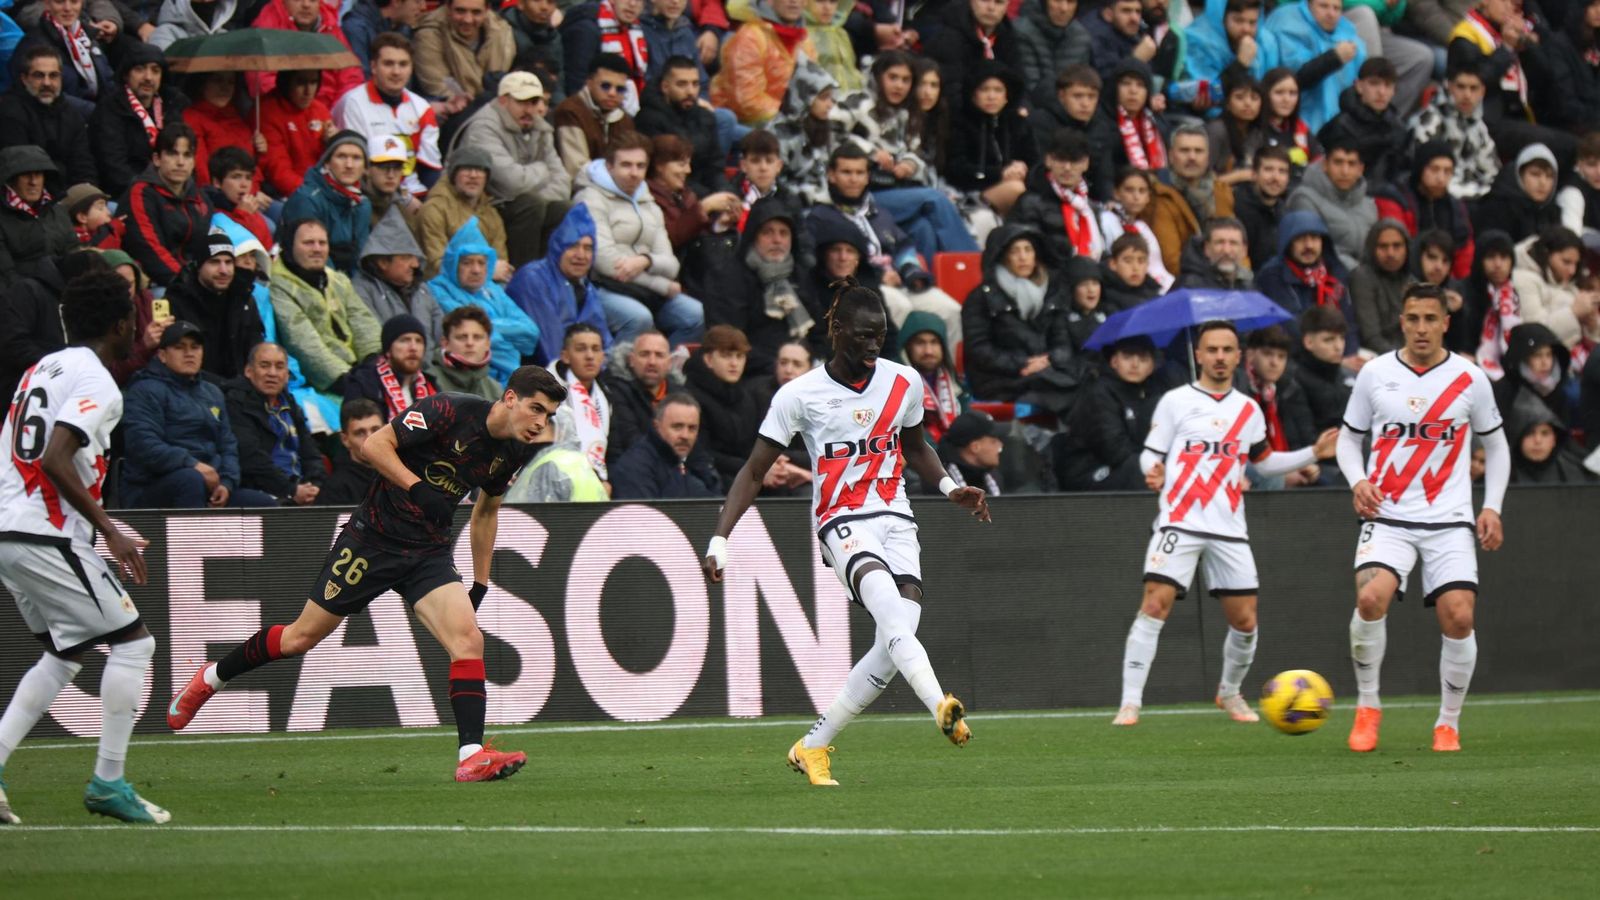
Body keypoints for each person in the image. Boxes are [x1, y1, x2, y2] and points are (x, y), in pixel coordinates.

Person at [167, 366, 570, 783]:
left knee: (468, 639)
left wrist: (481, 582)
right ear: (509, 399)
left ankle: (471, 754)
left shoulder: (512, 453)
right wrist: (417, 487)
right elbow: (375, 446)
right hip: (371, 541)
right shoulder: (447, 410)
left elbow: (486, 513)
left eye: (549, 415)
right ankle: (212, 676)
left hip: (426, 553)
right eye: (535, 408)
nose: (540, 422)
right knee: (299, 638)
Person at [702, 280, 988, 787]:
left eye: (879, 335)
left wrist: (948, 486)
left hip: (896, 518)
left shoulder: (902, 382)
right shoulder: (799, 396)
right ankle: (941, 705)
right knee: (891, 612)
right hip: (842, 520)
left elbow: (916, 445)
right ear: (835, 331)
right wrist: (720, 538)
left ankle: (812, 747)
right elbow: (752, 471)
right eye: (862, 336)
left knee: (895, 637)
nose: (872, 345)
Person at [0, 270, 168, 826]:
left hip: (11, 528)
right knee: (133, 645)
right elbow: (54, 456)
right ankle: (108, 781)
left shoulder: (40, 369)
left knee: (65, 652)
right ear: (123, 323)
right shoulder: (98, 380)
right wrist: (110, 529)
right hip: (42, 532)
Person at [1114, 320, 1339, 727]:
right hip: (1179, 521)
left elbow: (1264, 461)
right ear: (1198, 355)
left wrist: (1312, 453)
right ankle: (1130, 703)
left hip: (1230, 527)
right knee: (1153, 604)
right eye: (1212, 349)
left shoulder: (1248, 409)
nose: (1219, 357)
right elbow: (1150, 453)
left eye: (1227, 350)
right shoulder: (1176, 402)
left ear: (1239, 357)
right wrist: (1155, 471)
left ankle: (1230, 693)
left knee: (1245, 621)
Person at [1337, 283, 1511, 754]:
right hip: (1388, 513)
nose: (1420, 328)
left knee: (1458, 617)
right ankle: (1368, 707)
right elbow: (1348, 439)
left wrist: (1490, 505)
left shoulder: (1469, 378)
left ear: (1445, 323)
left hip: (1449, 517)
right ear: (1402, 320)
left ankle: (1447, 723)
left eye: (1430, 319)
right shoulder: (1374, 374)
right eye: (1413, 318)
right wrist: (1357, 481)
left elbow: (1495, 445)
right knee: (1371, 599)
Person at [120, 321, 278, 509]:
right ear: (162, 355)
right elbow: (144, 445)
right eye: (180, 347)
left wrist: (227, 483)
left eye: (195, 347)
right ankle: (194, 539)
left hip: (207, 483)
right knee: (190, 479)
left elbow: (228, 445)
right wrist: (192, 464)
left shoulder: (213, 393)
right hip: (152, 486)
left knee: (263, 504)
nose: (189, 353)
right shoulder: (144, 389)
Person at [576, 131, 703, 346]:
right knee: (638, 317)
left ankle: (664, 372)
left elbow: (671, 264)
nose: (634, 173)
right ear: (609, 166)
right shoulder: (591, 198)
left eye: (640, 166)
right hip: (602, 287)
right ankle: (616, 374)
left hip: (643, 288)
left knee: (694, 314)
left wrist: (646, 260)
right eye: (626, 165)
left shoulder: (648, 202)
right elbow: (606, 263)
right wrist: (661, 285)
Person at [960, 224, 1091, 415]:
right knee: (1070, 392)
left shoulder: (1052, 292)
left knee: (1089, 380)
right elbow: (978, 350)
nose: (1023, 257)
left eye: (1028, 250)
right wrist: (1022, 363)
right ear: (1003, 256)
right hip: (1000, 379)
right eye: (1015, 251)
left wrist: (1049, 359)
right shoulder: (980, 298)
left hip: (1044, 371)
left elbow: (1062, 339)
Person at [452, 70, 571, 266]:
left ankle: (546, 275)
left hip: (523, 202)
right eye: (522, 102)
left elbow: (563, 183)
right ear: (503, 101)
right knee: (531, 205)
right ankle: (522, 275)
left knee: (563, 208)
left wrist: (537, 188)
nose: (530, 109)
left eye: (534, 102)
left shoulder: (540, 127)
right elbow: (511, 183)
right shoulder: (483, 127)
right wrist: (542, 169)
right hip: (482, 205)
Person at [271, 218, 384, 393]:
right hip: (322, 384)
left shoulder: (338, 280)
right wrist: (347, 380)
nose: (317, 249)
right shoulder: (279, 287)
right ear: (289, 246)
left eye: (322, 243)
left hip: (359, 373)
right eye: (308, 243)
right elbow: (302, 343)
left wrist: (374, 363)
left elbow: (363, 322)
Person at [429, 217, 541, 384]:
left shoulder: (493, 290)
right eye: (467, 263)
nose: (476, 270)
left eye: (481, 263)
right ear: (453, 264)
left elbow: (530, 332)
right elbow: (474, 333)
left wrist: (494, 332)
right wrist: (508, 337)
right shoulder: (437, 290)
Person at [331, 33, 442, 201]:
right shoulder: (353, 103)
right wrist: (404, 199)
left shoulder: (422, 108)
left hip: (415, 194)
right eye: (388, 64)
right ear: (373, 67)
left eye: (403, 64)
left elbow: (430, 170)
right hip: (369, 193)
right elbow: (355, 169)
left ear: (411, 68)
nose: (396, 72)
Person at [225, 341, 327, 506]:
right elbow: (251, 458)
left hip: (298, 487)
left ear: (287, 375)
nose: (272, 373)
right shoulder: (236, 403)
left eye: (279, 367)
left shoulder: (291, 405)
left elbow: (311, 453)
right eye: (264, 366)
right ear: (249, 371)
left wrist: (314, 485)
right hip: (261, 490)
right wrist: (291, 490)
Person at [508, 202, 611, 366]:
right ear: (557, 247)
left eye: (588, 248)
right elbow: (550, 350)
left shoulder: (586, 288)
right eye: (573, 246)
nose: (581, 255)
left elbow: (604, 343)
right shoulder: (533, 279)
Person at [1053, 335, 1161, 491]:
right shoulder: (1098, 392)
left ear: (1151, 366)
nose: (1135, 364)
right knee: (1146, 473)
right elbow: (1115, 451)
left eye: (1143, 359)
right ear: (1114, 361)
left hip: (1131, 464)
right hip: (1090, 470)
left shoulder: (1156, 395)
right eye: (1127, 357)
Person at [119, 123, 213, 289]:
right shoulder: (140, 193)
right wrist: (189, 284)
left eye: (187, 155)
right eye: (172, 154)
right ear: (157, 159)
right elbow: (149, 249)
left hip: (193, 279)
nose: (180, 162)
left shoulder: (199, 197)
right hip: (155, 283)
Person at [88, 41, 185, 200]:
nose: (148, 77)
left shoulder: (172, 106)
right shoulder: (109, 110)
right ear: (126, 74)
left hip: (168, 192)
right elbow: (114, 169)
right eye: (140, 69)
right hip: (124, 196)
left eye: (155, 71)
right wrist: (152, 195)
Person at [163, 228, 264, 379]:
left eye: (229, 262)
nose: (224, 270)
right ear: (199, 266)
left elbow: (255, 348)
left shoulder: (244, 299)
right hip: (196, 388)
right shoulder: (177, 300)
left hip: (241, 389)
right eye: (214, 262)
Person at [1255, 210, 1360, 353]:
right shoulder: (1272, 276)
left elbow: (1348, 322)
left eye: (1315, 238)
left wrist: (1349, 355)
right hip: (1296, 356)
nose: (1309, 245)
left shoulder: (1336, 271)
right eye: (1301, 239)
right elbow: (1290, 327)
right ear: (1288, 242)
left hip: (1337, 350)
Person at [0, 45, 97, 195]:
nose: (47, 83)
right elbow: (22, 171)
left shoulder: (71, 113)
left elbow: (83, 164)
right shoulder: (10, 112)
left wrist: (86, 197)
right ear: (24, 79)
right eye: (39, 75)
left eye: (53, 76)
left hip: (70, 197)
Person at [944, 61, 1036, 217]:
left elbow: (1035, 161)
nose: (991, 96)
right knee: (1016, 189)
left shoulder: (1017, 123)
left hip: (1014, 185)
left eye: (998, 90)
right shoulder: (959, 123)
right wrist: (1000, 173)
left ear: (1007, 96)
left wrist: (1022, 168)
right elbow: (956, 168)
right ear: (973, 94)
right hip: (970, 193)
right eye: (984, 89)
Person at [1373, 141, 1476, 281]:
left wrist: (1458, 288)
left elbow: (1464, 253)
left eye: (1447, 171)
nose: (1441, 178)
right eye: (1434, 169)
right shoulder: (1396, 199)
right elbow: (1397, 247)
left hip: (1444, 281)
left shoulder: (1456, 208)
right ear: (1420, 168)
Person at [1236, 325, 1320, 488]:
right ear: (1250, 354)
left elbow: (1296, 441)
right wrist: (1282, 476)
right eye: (1268, 354)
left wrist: (1302, 464)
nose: (1275, 363)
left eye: (1281, 357)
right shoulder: (1240, 391)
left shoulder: (1286, 390)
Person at [635, 54, 731, 197]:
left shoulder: (706, 117)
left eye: (695, 84)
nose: (690, 91)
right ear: (665, 87)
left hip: (706, 193)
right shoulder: (648, 120)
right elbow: (662, 175)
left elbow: (715, 168)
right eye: (682, 84)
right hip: (670, 197)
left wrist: (726, 194)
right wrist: (709, 199)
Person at [709, 0, 814, 126]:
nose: (794, 2)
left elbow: (812, 88)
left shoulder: (804, 40)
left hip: (788, 120)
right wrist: (793, 114)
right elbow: (747, 101)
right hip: (745, 124)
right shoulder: (750, 37)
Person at [1264, 0, 1365, 133]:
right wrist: (1334, 58)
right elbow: (1295, 79)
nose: (1331, 13)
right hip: (1293, 123)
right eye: (1323, 6)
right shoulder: (1289, 22)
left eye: (1336, 8)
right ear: (1308, 4)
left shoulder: (1350, 35)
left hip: (1338, 127)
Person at [1145, 125, 1232, 277]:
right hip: (1187, 281)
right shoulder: (1158, 194)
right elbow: (1172, 262)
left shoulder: (1222, 191)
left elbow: (1236, 243)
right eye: (1184, 150)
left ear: (1208, 157)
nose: (1192, 157)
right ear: (1171, 156)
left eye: (1198, 151)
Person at [353, 206, 445, 348]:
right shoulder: (361, 290)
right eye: (406, 257)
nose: (415, 264)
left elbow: (442, 333)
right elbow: (373, 340)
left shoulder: (422, 289)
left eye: (415, 257)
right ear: (383, 262)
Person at [282, 129, 371, 274]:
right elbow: (310, 255)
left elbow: (360, 255)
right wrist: (341, 289)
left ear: (365, 168)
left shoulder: (362, 204)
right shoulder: (307, 199)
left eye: (356, 158)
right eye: (341, 156)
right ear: (327, 162)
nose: (349, 165)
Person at [1013, 129, 1105, 268]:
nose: (1067, 168)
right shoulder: (1030, 203)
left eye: (1074, 161)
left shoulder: (1090, 208)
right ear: (1048, 160)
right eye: (1061, 160)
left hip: (1088, 278)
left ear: (1086, 164)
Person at [418, 146, 513, 281]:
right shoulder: (434, 209)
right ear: (454, 175)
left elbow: (501, 263)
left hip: (485, 288)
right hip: (442, 290)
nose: (473, 175)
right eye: (466, 169)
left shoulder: (491, 214)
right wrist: (488, 272)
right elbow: (436, 264)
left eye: (480, 170)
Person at [250, 0, 365, 110]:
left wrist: (336, 112)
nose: (306, 5)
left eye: (312, 0)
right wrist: (311, 114)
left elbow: (351, 76)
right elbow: (264, 83)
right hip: (285, 114)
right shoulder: (267, 25)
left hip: (330, 114)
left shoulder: (330, 25)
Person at [1408, 63, 1498, 202]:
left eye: (1473, 88)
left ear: (1482, 92)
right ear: (1449, 86)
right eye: (1461, 87)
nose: (1467, 95)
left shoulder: (1479, 127)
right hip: (1436, 200)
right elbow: (1426, 178)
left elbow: (1492, 172)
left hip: (1475, 198)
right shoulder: (1428, 122)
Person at [1286, 138, 1376, 271]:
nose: (1344, 171)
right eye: (1338, 162)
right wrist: (1361, 274)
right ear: (1325, 164)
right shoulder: (1304, 199)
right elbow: (1314, 251)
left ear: (1360, 169)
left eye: (1351, 164)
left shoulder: (1369, 206)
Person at [609, 391, 721, 497]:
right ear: (657, 426)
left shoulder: (697, 462)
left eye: (692, 428)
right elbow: (641, 515)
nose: (685, 435)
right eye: (677, 427)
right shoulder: (635, 467)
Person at [1029, 65, 1116, 201]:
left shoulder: (1102, 127)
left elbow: (1104, 175)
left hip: (1088, 198)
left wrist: (1108, 201)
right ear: (1062, 96)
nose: (1085, 104)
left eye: (1091, 97)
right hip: (1045, 196)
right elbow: (1037, 168)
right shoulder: (1042, 122)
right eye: (1078, 96)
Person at [1317, 58, 1408, 187]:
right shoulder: (1340, 126)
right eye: (1374, 84)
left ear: (1394, 91)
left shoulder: (1398, 128)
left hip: (1388, 197)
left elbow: (1403, 171)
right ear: (1359, 86)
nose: (1381, 92)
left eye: (1387, 85)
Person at [1511, 226, 1600, 354]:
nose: (1572, 270)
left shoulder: (1569, 281)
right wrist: (1573, 312)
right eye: (1566, 262)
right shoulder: (1524, 280)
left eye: (1576, 264)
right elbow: (1534, 334)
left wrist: (1592, 325)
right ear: (1547, 253)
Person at [0, 145, 76, 289]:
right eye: (26, 175)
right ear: (10, 179)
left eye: (38, 175)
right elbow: (5, 273)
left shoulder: (58, 211)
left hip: (64, 291)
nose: (33, 182)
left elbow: (73, 253)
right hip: (19, 297)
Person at [412, 0, 514, 105]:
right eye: (460, 11)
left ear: (487, 10)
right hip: (455, 110)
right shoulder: (429, 34)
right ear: (448, 7)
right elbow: (438, 86)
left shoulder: (502, 31)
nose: (467, 20)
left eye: (476, 12)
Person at [547, 322, 612, 485]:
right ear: (565, 356)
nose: (590, 356)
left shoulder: (607, 395)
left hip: (596, 480)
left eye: (596, 349)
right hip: (554, 478)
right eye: (581, 349)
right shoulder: (547, 391)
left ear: (603, 356)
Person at [555, 53, 639, 178]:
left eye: (620, 89)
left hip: (618, 187)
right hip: (580, 190)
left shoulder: (625, 120)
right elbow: (576, 169)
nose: (612, 93)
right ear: (589, 83)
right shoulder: (570, 112)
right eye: (605, 86)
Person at [345, 313, 440, 422]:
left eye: (419, 341)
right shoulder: (363, 382)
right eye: (404, 340)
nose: (413, 347)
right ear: (388, 350)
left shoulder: (431, 387)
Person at [260, 69, 336, 200]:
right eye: (301, 83)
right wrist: (315, 195)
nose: (308, 91)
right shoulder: (268, 112)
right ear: (286, 82)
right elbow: (279, 172)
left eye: (313, 82)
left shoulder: (320, 109)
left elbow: (334, 163)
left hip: (322, 190)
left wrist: (333, 143)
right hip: (286, 195)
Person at [1097, 167, 1173, 290]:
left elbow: (1157, 268)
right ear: (1116, 193)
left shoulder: (1142, 227)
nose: (1136, 196)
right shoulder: (1107, 220)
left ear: (1148, 197)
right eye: (1129, 190)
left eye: (1142, 191)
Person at [1473, 143, 1562, 244]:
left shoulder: (1552, 212)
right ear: (1519, 175)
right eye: (1535, 174)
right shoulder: (1497, 207)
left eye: (1549, 176)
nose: (1543, 182)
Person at [897, 311, 963, 447]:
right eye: (920, 343)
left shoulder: (958, 386)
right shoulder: (895, 385)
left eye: (934, 342)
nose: (928, 351)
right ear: (908, 347)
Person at [1349, 219, 1413, 355]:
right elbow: (1371, 337)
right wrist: (1405, 360)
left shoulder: (1412, 281)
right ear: (1372, 248)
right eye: (1383, 246)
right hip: (1379, 357)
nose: (1390, 253)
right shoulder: (1362, 277)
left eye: (1397, 246)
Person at [1506, 391, 1594, 483]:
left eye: (1545, 433)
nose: (1538, 440)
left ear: (1554, 440)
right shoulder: (1501, 473)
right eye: (1529, 433)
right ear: (1518, 437)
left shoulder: (1573, 473)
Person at [1292, 304, 1355, 432]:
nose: (1339, 347)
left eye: (1342, 338)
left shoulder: (1346, 375)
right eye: (1329, 340)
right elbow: (1306, 438)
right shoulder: (1295, 383)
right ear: (1308, 342)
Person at [1013, 0, 1091, 99]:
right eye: (1057, 1)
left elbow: (1085, 83)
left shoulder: (1081, 37)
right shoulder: (1021, 32)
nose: (1064, 8)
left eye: (1070, 2)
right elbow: (1030, 87)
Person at [425, 304, 503, 401]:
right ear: (445, 343)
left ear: (487, 344)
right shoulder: (426, 381)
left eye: (477, 337)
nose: (470, 343)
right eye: (462, 337)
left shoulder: (495, 389)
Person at [316, 397, 383, 504]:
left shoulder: (401, 476)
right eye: (360, 433)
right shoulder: (335, 489)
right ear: (345, 439)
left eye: (375, 430)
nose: (370, 439)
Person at [1259, 66, 1323, 179]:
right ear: (1265, 94)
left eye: (1292, 93)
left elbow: (1320, 163)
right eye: (1279, 93)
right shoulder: (1256, 129)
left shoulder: (1300, 128)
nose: (1287, 99)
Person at [1234, 147, 1291, 273]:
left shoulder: (1285, 212)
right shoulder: (1237, 208)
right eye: (1268, 169)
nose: (1275, 177)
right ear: (1254, 174)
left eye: (1282, 171)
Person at [342, 0, 423, 76]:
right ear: (396, 2)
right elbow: (359, 77)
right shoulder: (356, 29)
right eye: (417, 1)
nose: (423, 7)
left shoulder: (402, 28)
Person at [936, 409, 1004, 497]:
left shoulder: (994, 477)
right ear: (975, 447)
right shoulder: (941, 481)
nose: (1000, 445)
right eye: (993, 441)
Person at [1176, 215, 1253, 291]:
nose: (1226, 251)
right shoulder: (1189, 287)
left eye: (1233, 243)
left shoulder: (1249, 287)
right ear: (1207, 248)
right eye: (1219, 242)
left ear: (1244, 250)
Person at [1100, 230, 1163, 312]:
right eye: (1128, 261)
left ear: (1147, 264)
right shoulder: (1104, 297)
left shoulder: (1154, 294)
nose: (1135, 268)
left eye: (1141, 261)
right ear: (1113, 264)